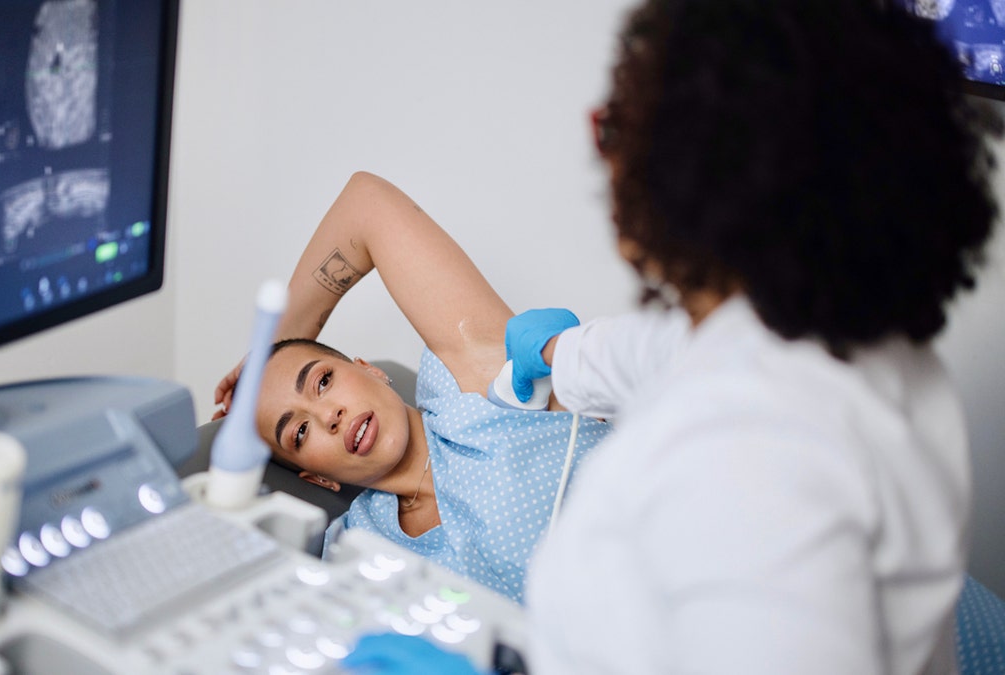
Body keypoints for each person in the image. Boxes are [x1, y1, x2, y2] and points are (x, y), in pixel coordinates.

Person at [340, 0, 1002, 673]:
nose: (605, 151)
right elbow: (657, 353)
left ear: (695, 175)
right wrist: (551, 357)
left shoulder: (753, 463)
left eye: (618, 127)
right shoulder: (850, 339)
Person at [212, 170, 612, 604]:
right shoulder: (358, 550)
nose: (328, 416)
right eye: (300, 432)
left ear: (370, 369)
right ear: (318, 479)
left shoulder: (471, 386)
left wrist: (273, 344)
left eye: (323, 380)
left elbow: (365, 204)